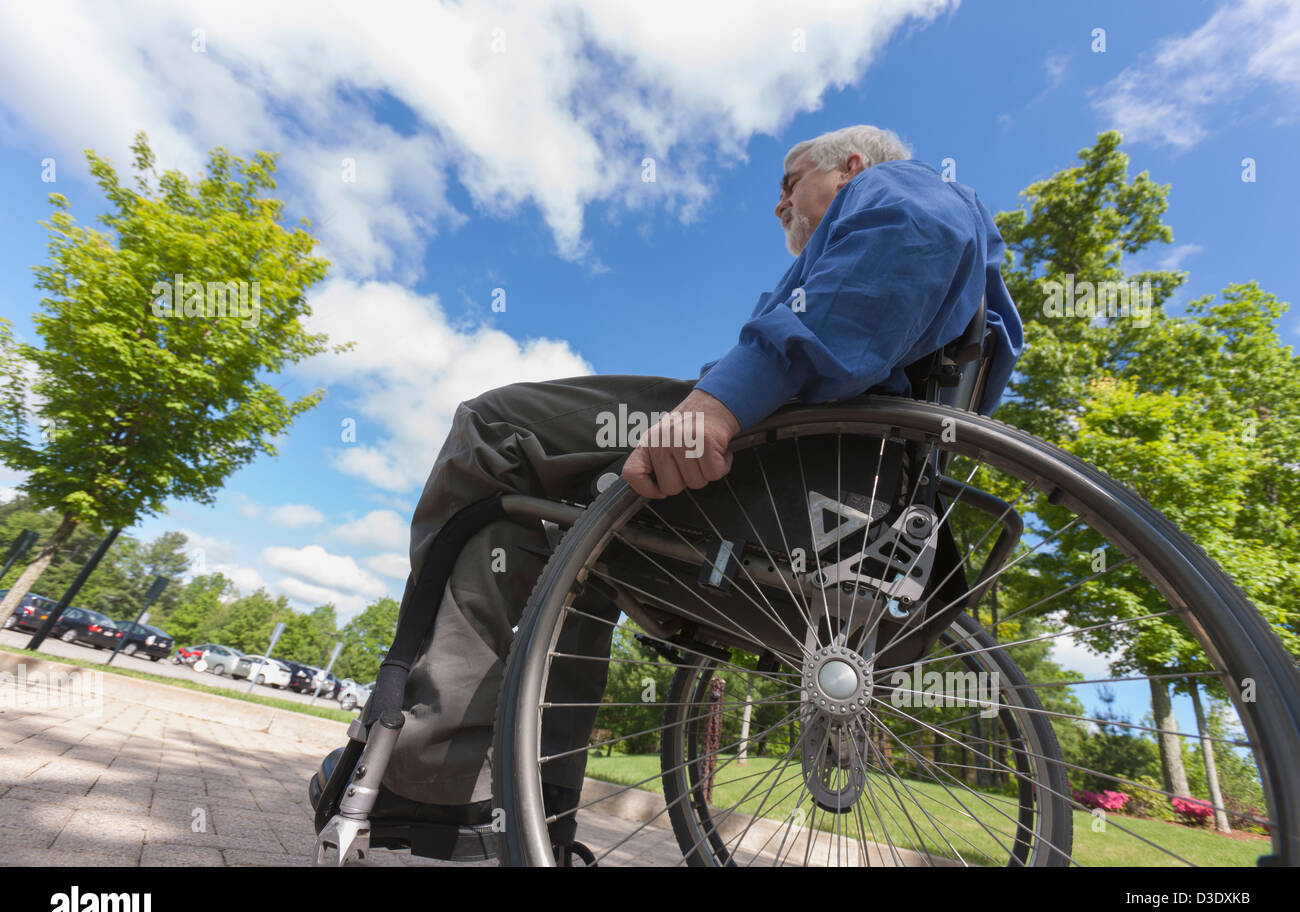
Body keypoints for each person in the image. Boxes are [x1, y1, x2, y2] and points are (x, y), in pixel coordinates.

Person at [309, 123, 1024, 859]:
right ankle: (524, 810)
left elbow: (911, 240)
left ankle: (422, 776)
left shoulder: (899, 189)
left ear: (847, 167)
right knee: (549, 535)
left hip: (806, 492)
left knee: (494, 428)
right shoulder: (887, 283)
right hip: (845, 520)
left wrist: (723, 398)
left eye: (787, 183)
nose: (778, 206)